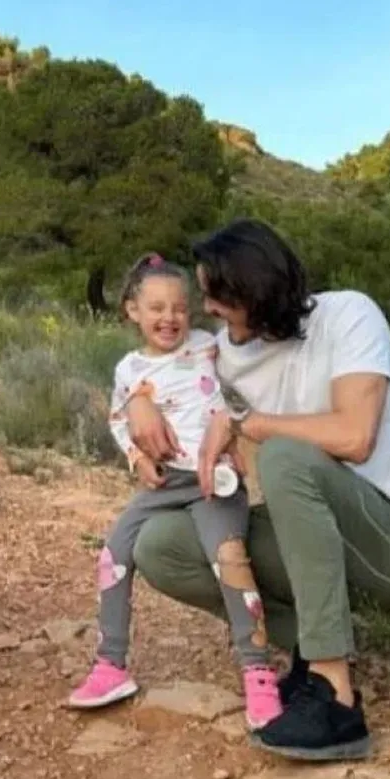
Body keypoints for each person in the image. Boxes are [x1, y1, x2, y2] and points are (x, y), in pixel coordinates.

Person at [125, 218, 390, 762]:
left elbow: (355, 437)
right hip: (315, 544)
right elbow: (154, 366)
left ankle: (335, 698)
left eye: (218, 298)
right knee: (162, 546)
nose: (208, 309)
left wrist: (249, 423)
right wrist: (138, 401)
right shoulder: (223, 351)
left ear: (255, 294)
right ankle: (320, 641)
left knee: (285, 455)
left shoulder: (349, 315)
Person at [68, 252, 284, 731]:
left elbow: (247, 379)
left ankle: (258, 672)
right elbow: (119, 421)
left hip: (213, 480)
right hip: (165, 482)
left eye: (180, 308)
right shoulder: (128, 369)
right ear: (132, 311)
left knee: (229, 559)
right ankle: (111, 664)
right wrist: (138, 458)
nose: (169, 318)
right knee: (114, 555)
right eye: (157, 308)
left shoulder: (209, 346)